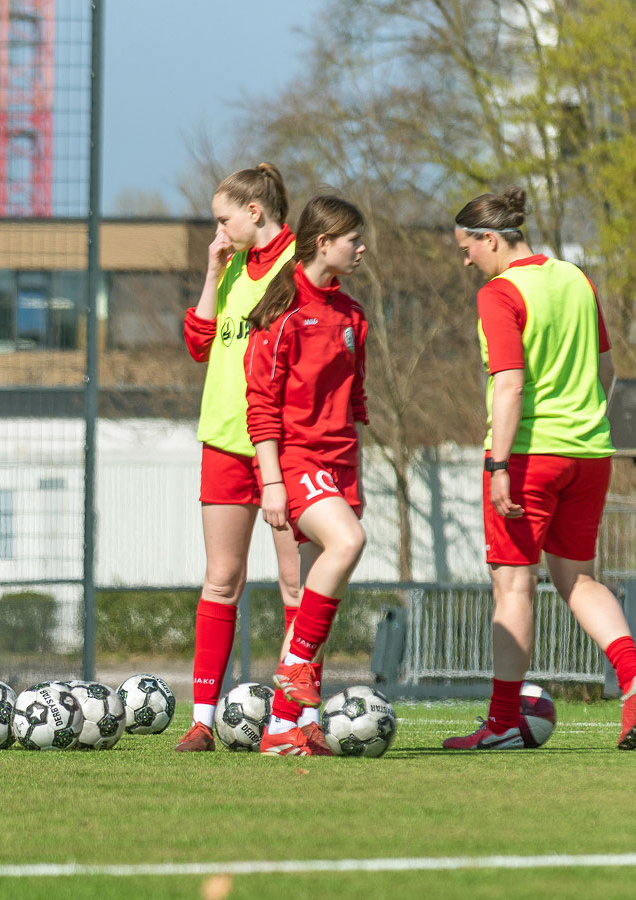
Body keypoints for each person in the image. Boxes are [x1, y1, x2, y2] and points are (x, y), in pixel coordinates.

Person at [442, 186, 636, 751]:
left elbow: (508, 384)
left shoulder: (500, 293)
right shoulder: (576, 278)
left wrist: (497, 466)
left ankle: (502, 722)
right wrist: (583, 422)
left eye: (467, 247)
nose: (465, 259)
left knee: (514, 584)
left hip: (532, 457)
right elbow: (608, 370)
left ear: (491, 239)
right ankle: (633, 674)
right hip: (591, 453)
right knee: (577, 578)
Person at [175, 163, 311, 753]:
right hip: (224, 443)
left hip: (284, 445)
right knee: (222, 578)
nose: (219, 232)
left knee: (296, 582)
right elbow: (199, 344)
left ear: (254, 213)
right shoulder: (230, 267)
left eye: (223, 220)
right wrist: (212, 272)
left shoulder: (298, 267)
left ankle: (292, 720)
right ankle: (203, 718)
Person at [242, 195, 371, 757]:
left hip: (342, 465)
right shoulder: (284, 313)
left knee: (308, 601)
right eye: (353, 239)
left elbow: (355, 400)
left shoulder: (353, 315)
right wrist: (271, 481)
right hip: (296, 463)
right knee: (350, 542)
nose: (361, 248)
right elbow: (261, 406)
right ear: (324, 242)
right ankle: (295, 670)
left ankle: (282, 728)